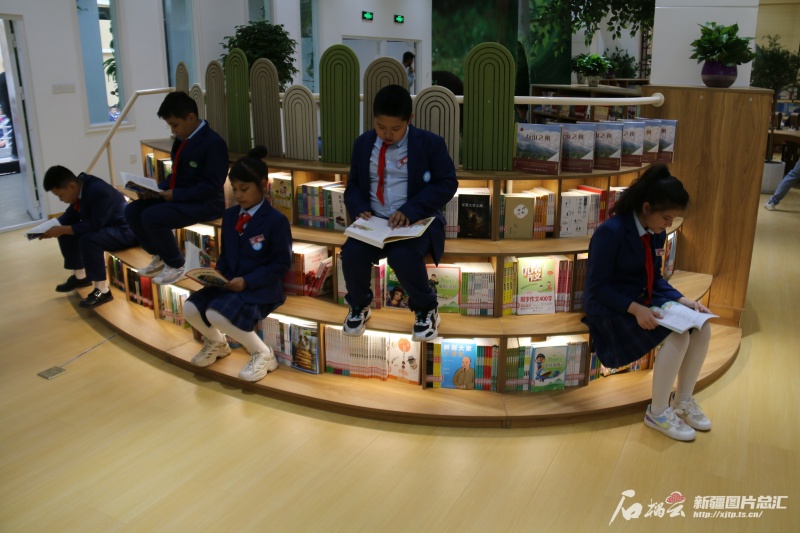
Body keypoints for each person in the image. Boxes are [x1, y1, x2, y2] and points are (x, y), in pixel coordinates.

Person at [582, 163, 713, 442]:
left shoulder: (655, 232)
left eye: (672, 219)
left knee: (703, 327)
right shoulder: (610, 232)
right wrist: (635, 309)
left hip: (642, 298)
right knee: (678, 337)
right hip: (612, 306)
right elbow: (597, 288)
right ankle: (658, 411)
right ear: (646, 207)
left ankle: (683, 401)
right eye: (666, 217)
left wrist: (684, 300)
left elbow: (655, 277)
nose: (668, 224)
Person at [341, 84, 457, 342]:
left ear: (409, 119)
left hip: (415, 221)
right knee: (351, 254)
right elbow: (354, 185)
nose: (387, 134)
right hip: (374, 222)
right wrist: (359, 207)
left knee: (402, 256)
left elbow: (447, 183)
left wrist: (410, 209)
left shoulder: (430, 144)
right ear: (374, 119)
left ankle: (427, 308)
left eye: (395, 128)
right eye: (381, 127)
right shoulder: (363, 144)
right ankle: (359, 305)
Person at [182, 146, 292, 382]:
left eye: (244, 189)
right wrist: (216, 274)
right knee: (189, 308)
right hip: (229, 283)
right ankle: (217, 343)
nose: (239, 195)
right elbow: (226, 254)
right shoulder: (230, 215)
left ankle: (263, 353)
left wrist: (247, 281)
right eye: (234, 189)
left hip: (260, 288)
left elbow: (281, 264)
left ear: (263, 185)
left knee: (215, 313)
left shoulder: (276, 221)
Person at [125, 91, 229, 285]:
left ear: (191, 118)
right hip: (180, 196)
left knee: (152, 216)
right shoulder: (182, 139)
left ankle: (177, 264)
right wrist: (155, 189)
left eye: (175, 125)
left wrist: (176, 194)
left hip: (206, 203)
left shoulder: (214, 143)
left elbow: (211, 185)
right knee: (132, 210)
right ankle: (160, 256)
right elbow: (176, 175)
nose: (173, 131)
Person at [41, 165, 138, 308]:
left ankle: (102, 290)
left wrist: (61, 229)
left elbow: (95, 224)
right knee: (65, 231)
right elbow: (70, 214)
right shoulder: (82, 186)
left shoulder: (98, 191)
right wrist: (48, 228)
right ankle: (81, 277)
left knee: (89, 239)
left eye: (60, 195)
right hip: (108, 226)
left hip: (124, 230)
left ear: (71, 186)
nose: (60, 199)